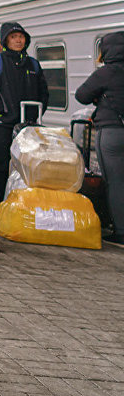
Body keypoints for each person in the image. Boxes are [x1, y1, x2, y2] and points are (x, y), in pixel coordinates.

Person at [0, 21, 49, 203]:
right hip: (2, 124)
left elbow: (44, 91)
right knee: (2, 166)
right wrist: (2, 109)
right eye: (13, 37)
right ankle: (1, 204)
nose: (18, 40)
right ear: (5, 40)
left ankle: (25, 205)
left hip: (29, 125)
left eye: (21, 37)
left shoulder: (33, 64)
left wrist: (36, 113)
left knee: (29, 165)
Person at [75, 32, 124, 244]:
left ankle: (121, 231)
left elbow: (81, 95)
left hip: (112, 132)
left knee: (115, 182)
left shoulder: (105, 73)